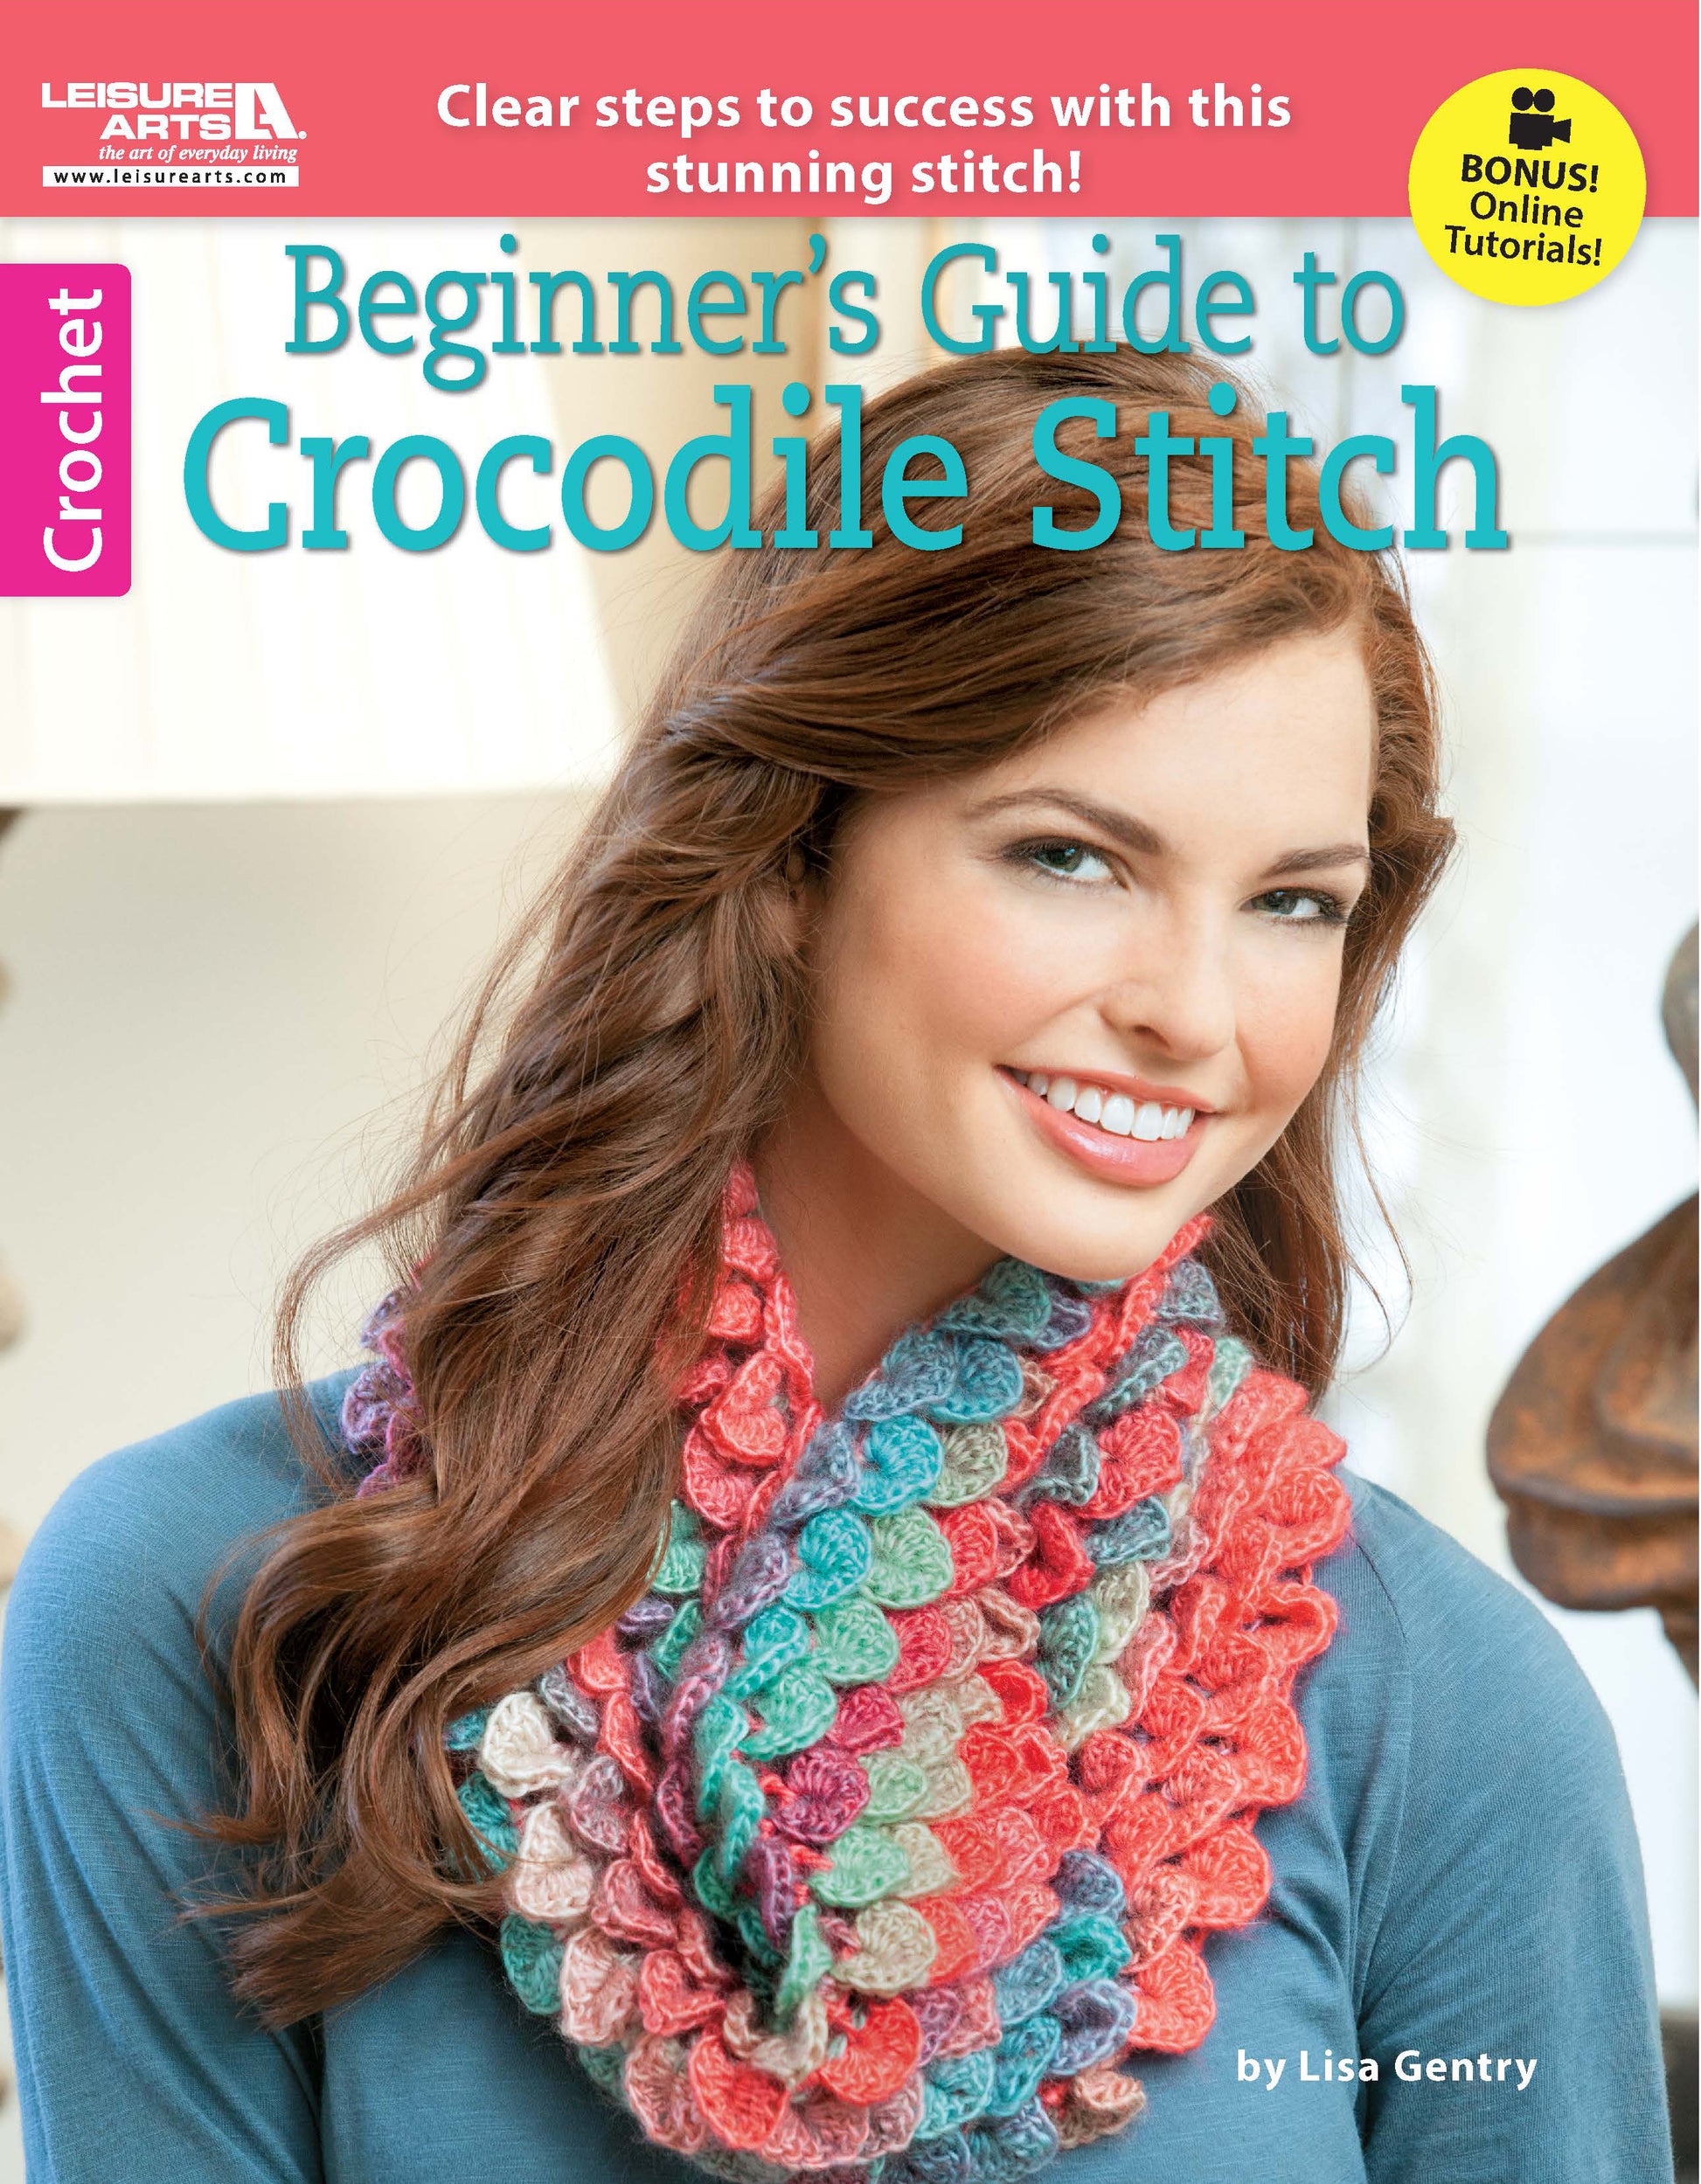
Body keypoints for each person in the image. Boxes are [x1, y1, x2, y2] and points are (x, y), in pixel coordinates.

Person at [0, 348, 1672, 2184]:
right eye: (1069, 855)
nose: (1196, 1010)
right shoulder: (191, 1597)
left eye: (1292, 900)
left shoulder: (1450, 1714)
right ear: (791, 850)